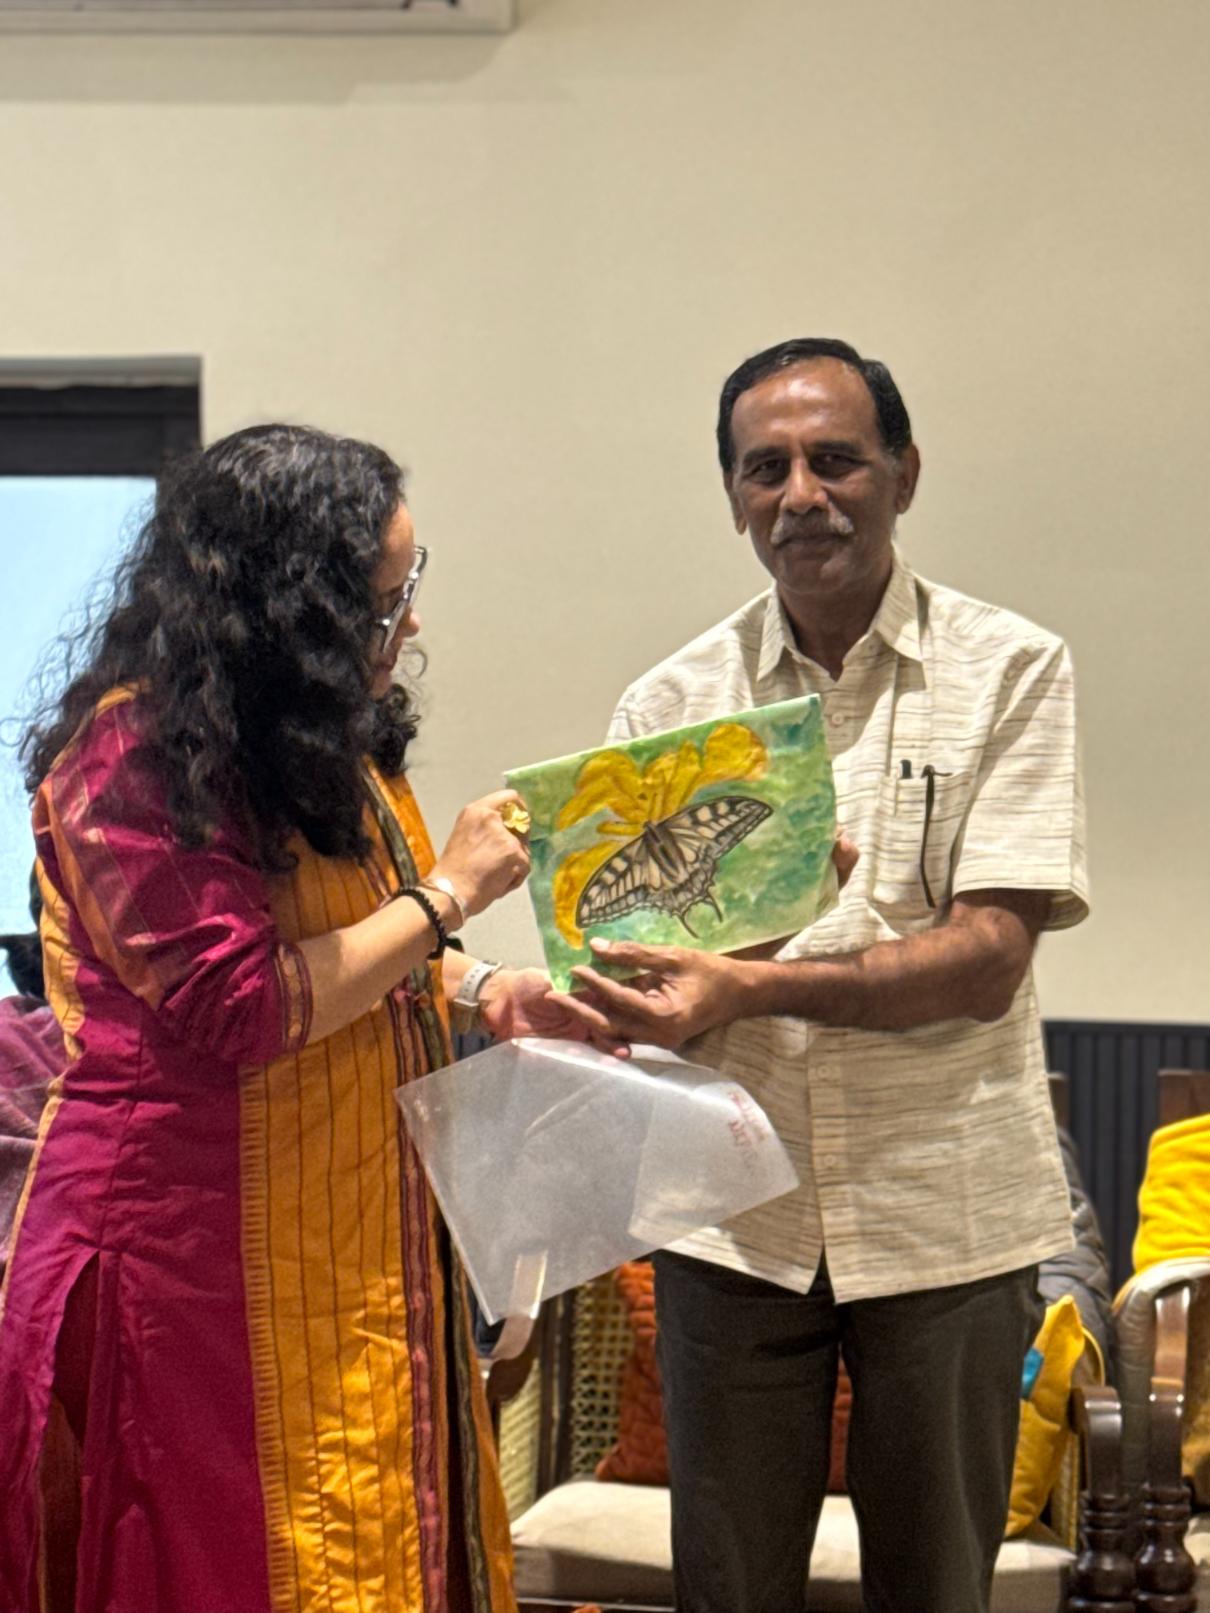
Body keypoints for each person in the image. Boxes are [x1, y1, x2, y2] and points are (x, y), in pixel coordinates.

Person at [0, 424, 611, 1613]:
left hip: (351, 1235)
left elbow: (363, 948)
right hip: (189, 1263)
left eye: (410, 587)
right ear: (293, 610)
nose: (410, 625)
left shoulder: (324, 741)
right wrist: (449, 895)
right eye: (385, 600)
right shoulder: (129, 757)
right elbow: (244, 1001)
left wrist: (485, 988)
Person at [560, 339, 1089, 1613]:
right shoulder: (671, 703)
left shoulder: (1011, 667)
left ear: (903, 473)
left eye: (835, 460)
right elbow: (626, 955)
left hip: (943, 1208)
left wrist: (749, 987)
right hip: (732, 1219)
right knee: (729, 1589)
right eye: (766, 468)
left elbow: (988, 957)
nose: (801, 494)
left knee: (936, 1588)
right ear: (734, 496)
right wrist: (622, 985)